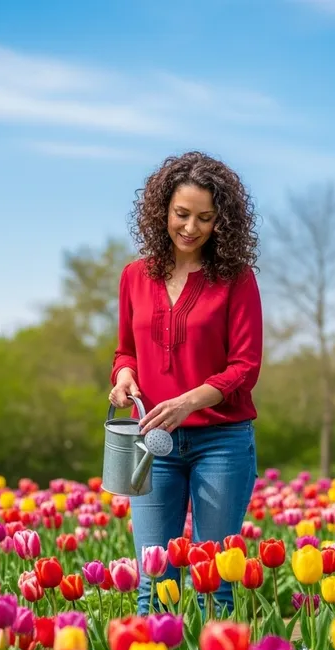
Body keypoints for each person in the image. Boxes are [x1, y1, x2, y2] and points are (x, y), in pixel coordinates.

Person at [109, 151, 263, 615]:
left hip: (222, 442)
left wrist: (187, 403)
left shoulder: (236, 279)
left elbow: (245, 365)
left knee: (213, 583)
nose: (191, 228)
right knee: (154, 584)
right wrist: (123, 377)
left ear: (222, 222)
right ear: (162, 211)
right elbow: (124, 351)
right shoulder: (135, 276)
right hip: (151, 443)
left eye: (205, 218)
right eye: (182, 214)